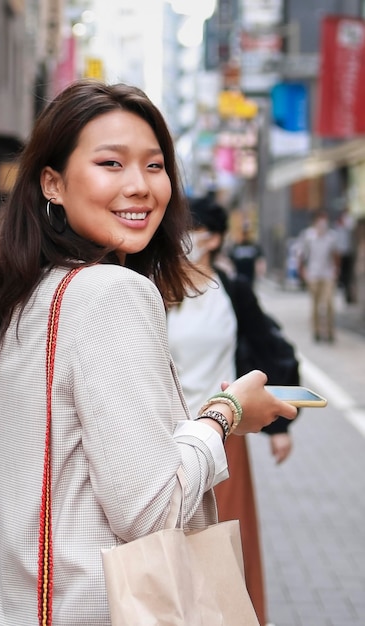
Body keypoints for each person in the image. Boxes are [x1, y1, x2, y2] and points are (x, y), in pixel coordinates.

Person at [0, 79, 297, 625]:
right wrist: (227, 413)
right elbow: (151, 508)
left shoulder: (27, 295)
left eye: (155, 166)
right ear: (52, 182)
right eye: (111, 164)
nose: (140, 186)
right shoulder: (110, 293)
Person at [167, 197, 298, 626]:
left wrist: (279, 425)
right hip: (162, 435)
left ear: (215, 238)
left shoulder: (233, 291)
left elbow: (269, 349)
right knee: (163, 548)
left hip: (224, 436)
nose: (184, 238)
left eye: (194, 229)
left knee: (222, 547)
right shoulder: (150, 285)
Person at [298, 210, 340, 342]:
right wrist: (303, 271)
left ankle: (330, 332)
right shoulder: (308, 236)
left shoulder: (331, 237)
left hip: (327, 274)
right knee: (315, 305)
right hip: (313, 274)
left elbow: (335, 254)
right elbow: (301, 255)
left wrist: (335, 270)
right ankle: (316, 331)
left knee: (328, 304)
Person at [334, 207, 356, 304]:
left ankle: (348, 294)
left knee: (348, 274)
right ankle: (343, 288)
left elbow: (351, 227)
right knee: (343, 273)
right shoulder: (338, 222)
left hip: (348, 252)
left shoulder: (350, 220)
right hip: (340, 251)